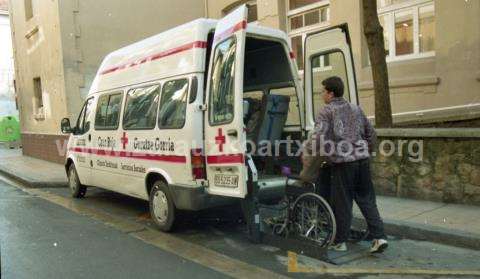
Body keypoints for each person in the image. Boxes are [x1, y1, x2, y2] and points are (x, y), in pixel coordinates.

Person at [303, 76, 388, 253]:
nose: (321, 94)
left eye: (323, 91)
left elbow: (318, 138)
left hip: (343, 163)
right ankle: (379, 237)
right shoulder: (356, 109)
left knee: (343, 203)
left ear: (330, 93)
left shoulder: (326, 112)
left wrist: (307, 154)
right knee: (367, 199)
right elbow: (370, 133)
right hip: (362, 161)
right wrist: (366, 151)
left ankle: (340, 242)